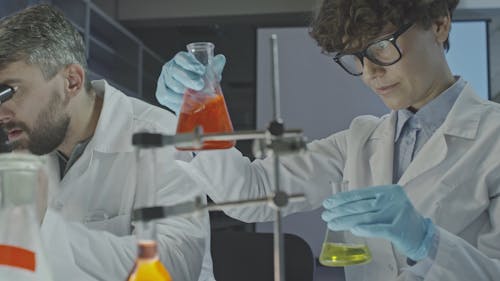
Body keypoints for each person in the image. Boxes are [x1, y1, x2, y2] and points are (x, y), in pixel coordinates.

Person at [156, 0, 500, 280]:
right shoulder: (360, 141)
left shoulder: (493, 137)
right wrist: (194, 113)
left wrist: (427, 241)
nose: (369, 73)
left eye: (381, 47)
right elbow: (249, 195)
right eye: (356, 57)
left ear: (439, 23)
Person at [0, 4, 215, 281]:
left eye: (10, 91)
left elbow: (175, 266)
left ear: (72, 81)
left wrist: (42, 226)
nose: (1, 113)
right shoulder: (28, 145)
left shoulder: (159, 136)